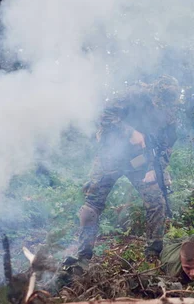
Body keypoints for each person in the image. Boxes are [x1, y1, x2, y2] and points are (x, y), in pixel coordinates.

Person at [76, 75, 180, 266]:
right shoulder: (133, 95)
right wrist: (130, 132)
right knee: (92, 205)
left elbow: (166, 146)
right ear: (153, 94)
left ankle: (153, 255)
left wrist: (154, 170)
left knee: (156, 200)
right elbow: (104, 115)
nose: (161, 107)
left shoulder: (170, 112)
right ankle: (83, 257)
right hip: (110, 156)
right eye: (159, 102)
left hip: (139, 160)